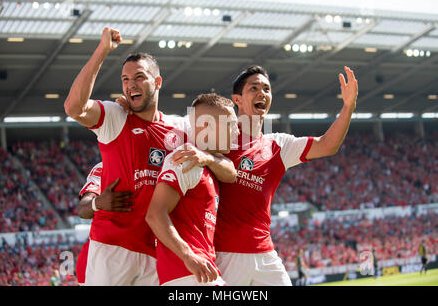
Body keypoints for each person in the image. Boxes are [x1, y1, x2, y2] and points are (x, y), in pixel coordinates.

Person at [64, 27, 236, 286]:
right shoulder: (115, 116)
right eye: (125, 79)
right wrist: (103, 51)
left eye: (139, 77)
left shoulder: (182, 129)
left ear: (157, 82)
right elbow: (73, 107)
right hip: (113, 247)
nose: (130, 84)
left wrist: (208, 158)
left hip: (156, 252)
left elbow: (227, 164)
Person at [204, 64, 359, 286]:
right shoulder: (218, 139)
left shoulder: (278, 144)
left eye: (266, 89)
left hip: (266, 255)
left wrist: (348, 106)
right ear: (236, 100)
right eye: (254, 88)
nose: (262, 94)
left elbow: (327, 145)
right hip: (225, 255)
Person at [146, 93, 239, 286]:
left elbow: (232, 173)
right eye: (230, 125)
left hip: (199, 273)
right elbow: (155, 214)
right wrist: (189, 256)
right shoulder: (184, 158)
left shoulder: (209, 165)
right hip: (186, 275)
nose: (237, 131)